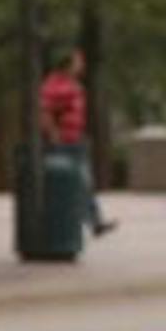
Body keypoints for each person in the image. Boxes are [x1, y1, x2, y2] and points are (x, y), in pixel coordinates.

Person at [38, 48, 115, 238]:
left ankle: (93, 221)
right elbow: (45, 111)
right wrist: (53, 134)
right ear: (67, 64)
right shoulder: (54, 85)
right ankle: (85, 222)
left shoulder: (73, 84)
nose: (81, 65)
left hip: (76, 139)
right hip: (63, 143)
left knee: (84, 182)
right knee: (78, 182)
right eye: (77, 62)